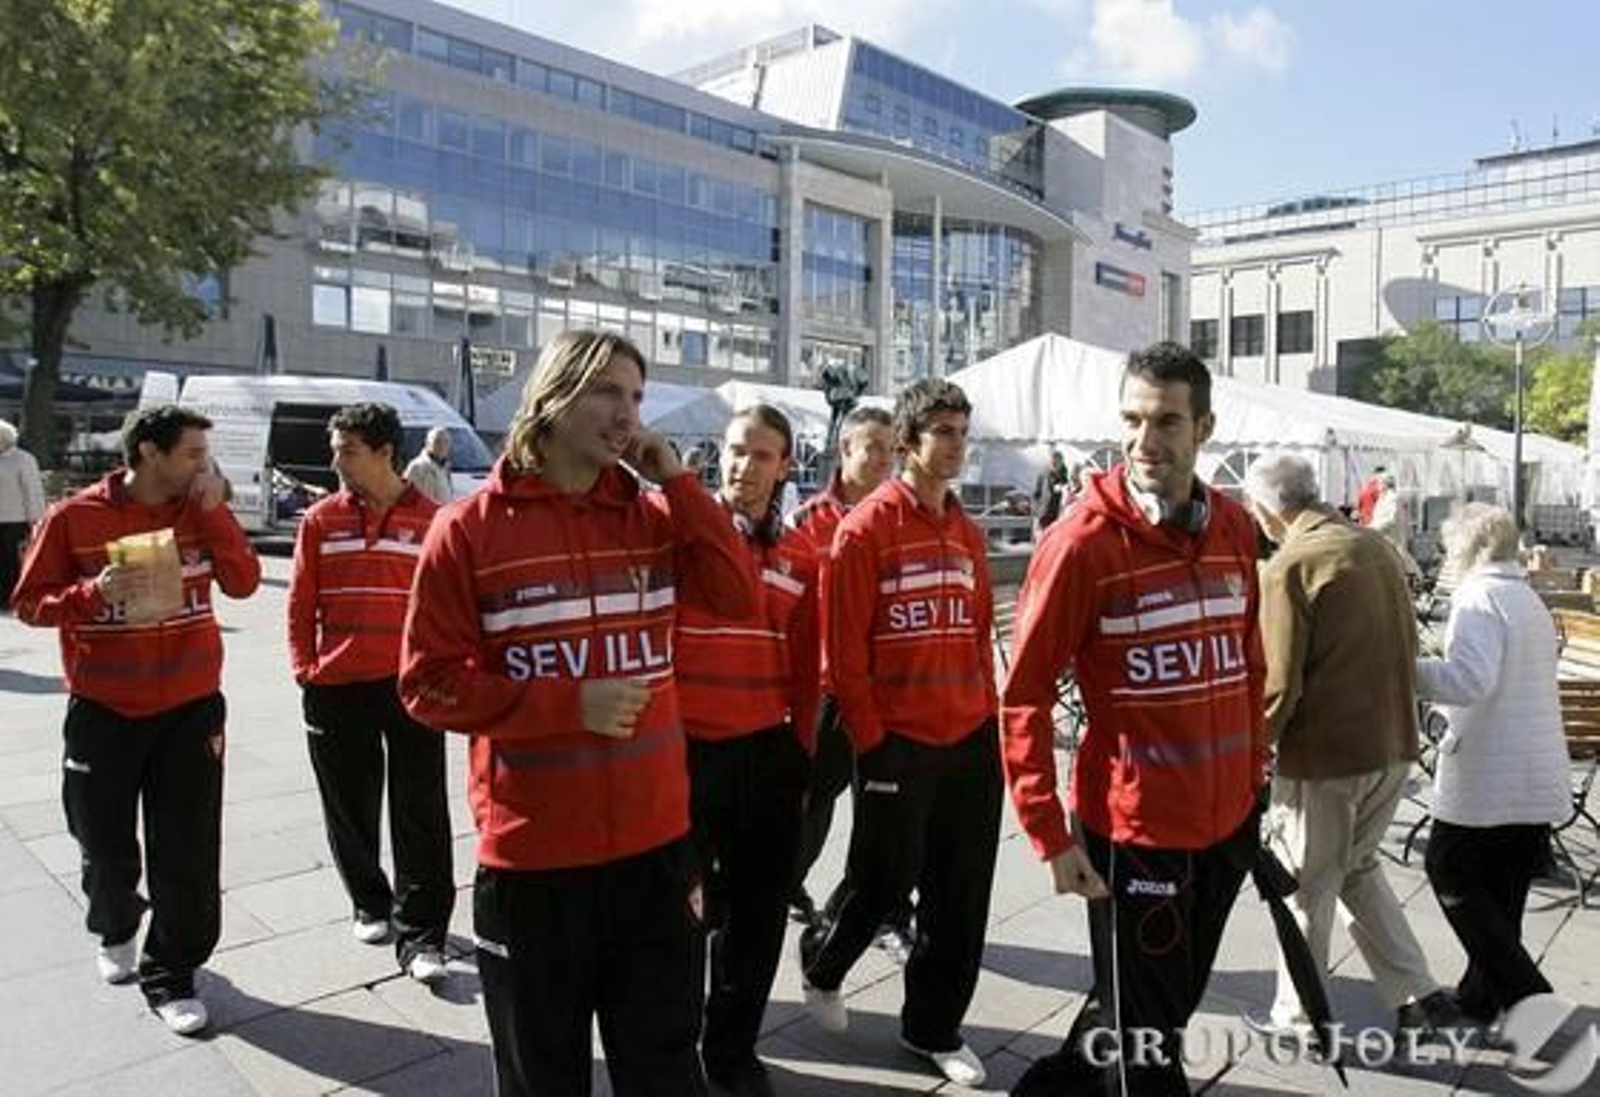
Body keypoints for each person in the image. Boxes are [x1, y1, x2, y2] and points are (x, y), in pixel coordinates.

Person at [398, 330, 758, 1096]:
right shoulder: (467, 529)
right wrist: (567, 705)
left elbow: (736, 595)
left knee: (666, 1073)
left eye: (635, 396)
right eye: (607, 392)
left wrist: (676, 479)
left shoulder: (654, 516)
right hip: (534, 865)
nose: (627, 413)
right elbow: (426, 683)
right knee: (541, 1079)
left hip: (657, 851)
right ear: (553, 396)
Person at [1001, 342, 1267, 1096]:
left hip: (1225, 826)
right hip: (1134, 834)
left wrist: (1253, 781)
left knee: (1159, 1011)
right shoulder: (1081, 542)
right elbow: (1023, 695)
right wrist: (1049, 833)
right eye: (1132, 419)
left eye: (1167, 422)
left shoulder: (1238, 530)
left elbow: (1250, 665)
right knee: (1150, 1051)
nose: (1145, 441)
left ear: (1204, 427)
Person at [12, 405, 261, 1036]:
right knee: (103, 843)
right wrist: (95, 593)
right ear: (149, 453)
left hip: (191, 704)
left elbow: (245, 582)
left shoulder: (201, 511)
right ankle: (117, 924)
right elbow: (28, 605)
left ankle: (173, 972)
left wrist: (213, 512)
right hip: (104, 708)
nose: (203, 465)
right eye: (192, 455)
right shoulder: (75, 518)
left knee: (188, 849)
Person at [798, 379, 1000, 1089]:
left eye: (962, 430)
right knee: (884, 878)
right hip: (896, 741)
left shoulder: (968, 533)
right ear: (910, 441)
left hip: (970, 738)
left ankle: (932, 1026)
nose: (955, 443)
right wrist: (874, 737)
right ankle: (823, 962)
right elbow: (842, 653)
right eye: (942, 429)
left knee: (962, 892)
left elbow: (979, 635)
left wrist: (988, 713)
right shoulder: (865, 529)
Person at [1240, 453, 1461, 1040]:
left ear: (1265, 508)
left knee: (1306, 887)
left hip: (1327, 756)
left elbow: (1279, 682)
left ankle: (1301, 1016)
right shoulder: (1374, 549)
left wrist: (1248, 751)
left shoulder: (1291, 562)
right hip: (1392, 744)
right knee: (1358, 870)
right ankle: (1419, 993)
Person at [677, 404, 819, 1097]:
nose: (744, 465)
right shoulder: (685, 538)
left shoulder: (800, 555)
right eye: (735, 450)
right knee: (681, 913)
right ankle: (673, 1049)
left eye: (762, 455)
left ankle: (731, 1050)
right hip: (686, 751)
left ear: (785, 465)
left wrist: (799, 754)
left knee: (759, 915)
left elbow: (806, 665)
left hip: (766, 752)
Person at [288, 403, 455, 984]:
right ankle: (369, 902)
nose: (335, 460)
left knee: (421, 810)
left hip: (411, 687)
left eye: (348, 450)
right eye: (335, 449)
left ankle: (425, 932)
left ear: (386, 453)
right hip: (335, 684)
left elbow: (446, 608)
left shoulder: (436, 521)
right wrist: (304, 666)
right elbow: (300, 601)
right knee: (349, 804)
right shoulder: (319, 519)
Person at [1416, 503, 1569, 1027]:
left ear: (1468, 547)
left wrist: (1406, 668)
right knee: (1504, 895)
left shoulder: (1478, 597)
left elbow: (1469, 681)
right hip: (1532, 771)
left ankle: (1530, 998)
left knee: (1449, 870)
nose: (1447, 555)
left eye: (1450, 546)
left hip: (1487, 776)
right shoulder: (1525, 596)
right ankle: (1481, 996)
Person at [786, 406, 897, 930]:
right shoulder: (810, 522)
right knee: (814, 801)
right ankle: (787, 882)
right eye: (871, 445)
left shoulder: (902, 519)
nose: (882, 458)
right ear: (845, 448)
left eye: (890, 447)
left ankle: (884, 906)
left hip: (890, 690)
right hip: (829, 688)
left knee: (886, 808)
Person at [0, 418, 47, 608]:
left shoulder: (24, 459)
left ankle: (10, 598)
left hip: (15, 521)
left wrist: (36, 521)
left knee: (11, 562)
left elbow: (33, 492)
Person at [402, 425, 453, 504]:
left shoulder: (444, 467)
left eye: (446, 442)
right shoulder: (417, 467)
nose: (442, 446)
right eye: (437, 441)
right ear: (427, 443)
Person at [1033, 449, 1071, 533]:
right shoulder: (1043, 474)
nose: (1054, 464)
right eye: (1053, 462)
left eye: (1057, 462)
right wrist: (1036, 511)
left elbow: (1068, 492)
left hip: (1058, 513)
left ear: (1061, 462)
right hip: (1044, 513)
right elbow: (1036, 493)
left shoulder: (1066, 475)